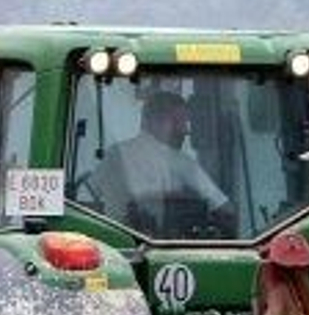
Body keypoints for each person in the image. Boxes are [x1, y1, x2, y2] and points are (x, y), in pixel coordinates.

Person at [88, 90, 235, 235]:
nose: (185, 131)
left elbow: (88, 197)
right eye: (178, 122)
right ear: (154, 121)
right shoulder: (180, 162)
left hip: (114, 242)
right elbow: (224, 208)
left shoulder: (115, 153)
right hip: (161, 243)